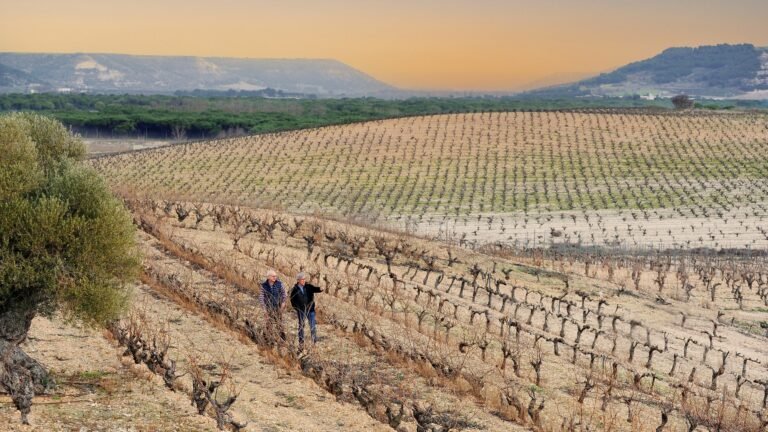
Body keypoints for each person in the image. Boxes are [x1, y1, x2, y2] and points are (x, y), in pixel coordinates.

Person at [290, 272, 323, 347]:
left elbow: (315, 289)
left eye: (304, 279)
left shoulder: (308, 286)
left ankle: (314, 342)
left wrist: (320, 289)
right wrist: (297, 308)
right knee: (301, 326)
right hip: (301, 310)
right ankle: (301, 342)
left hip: (310, 310)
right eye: (302, 279)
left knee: (312, 326)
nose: (304, 281)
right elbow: (292, 300)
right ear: (298, 280)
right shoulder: (295, 289)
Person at [260, 270, 286, 341]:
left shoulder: (280, 284)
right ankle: (267, 339)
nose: (275, 277)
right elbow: (261, 297)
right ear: (268, 277)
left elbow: (284, 295)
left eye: (275, 276)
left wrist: (283, 304)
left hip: (278, 307)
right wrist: (264, 309)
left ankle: (282, 339)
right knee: (268, 323)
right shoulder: (264, 286)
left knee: (279, 323)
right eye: (273, 276)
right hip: (268, 307)